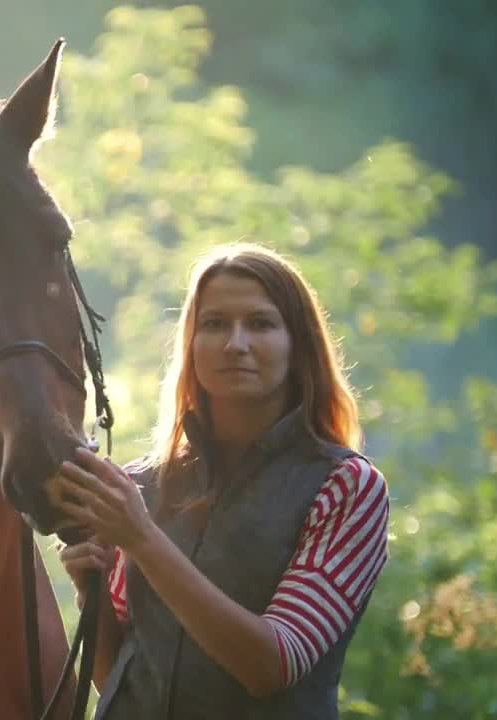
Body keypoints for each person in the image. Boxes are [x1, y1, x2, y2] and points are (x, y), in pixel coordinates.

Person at [56, 243, 390, 719]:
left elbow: (272, 665)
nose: (236, 344)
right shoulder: (143, 485)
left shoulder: (346, 487)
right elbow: (120, 680)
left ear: (300, 345)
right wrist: (91, 589)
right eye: (214, 324)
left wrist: (143, 539)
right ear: (190, 344)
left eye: (260, 323)